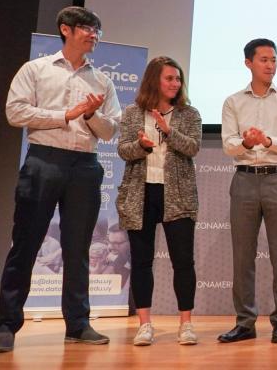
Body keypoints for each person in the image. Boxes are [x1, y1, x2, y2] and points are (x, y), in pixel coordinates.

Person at [0, 6, 120, 352]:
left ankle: (78, 324)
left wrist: (92, 113)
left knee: (78, 247)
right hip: (43, 160)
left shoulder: (102, 80)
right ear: (66, 30)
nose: (94, 35)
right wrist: (65, 114)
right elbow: (15, 111)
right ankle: (6, 324)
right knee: (26, 243)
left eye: (98, 30)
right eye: (87, 28)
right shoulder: (36, 70)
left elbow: (110, 131)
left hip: (85, 164)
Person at [218, 38, 277, 344]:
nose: (271, 65)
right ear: (249, 63)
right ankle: (245, 322)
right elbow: (229, 144)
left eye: (274, 60)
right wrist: (246, 143)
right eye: (264, 59)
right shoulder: (233, 101)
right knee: (243, 256)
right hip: (244, 179)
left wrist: (267, 141)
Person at [116, 56, 202, 346]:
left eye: (178, 79)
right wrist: (141, 145)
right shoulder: (132, 112)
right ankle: (144, 324)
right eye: (169, 78)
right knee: (141, 261)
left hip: (177, 195)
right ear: (155, 80)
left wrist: (168, 130)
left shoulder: (189, 114)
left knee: (183, 261)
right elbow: (124, 151)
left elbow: (192, 147)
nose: (175, 84)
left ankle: (186, 324)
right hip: (141, 194)